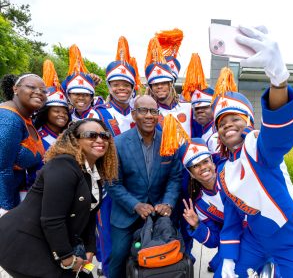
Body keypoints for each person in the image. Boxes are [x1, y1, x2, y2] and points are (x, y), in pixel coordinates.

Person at [211, 26, 293, 277]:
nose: (227, 125)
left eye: (234, 119)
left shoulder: (256, 146)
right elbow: (231, 221)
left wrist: (278, 80)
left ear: (249, 123)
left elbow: (278, 137)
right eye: (221, 123)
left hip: (290, 239)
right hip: (254, 239)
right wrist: (227, 257)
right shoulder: (223, 172)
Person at [0, 118, 118, 277]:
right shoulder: (63, 165)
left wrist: (90, 248)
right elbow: (52, 219)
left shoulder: (93, 171)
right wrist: (66, 258)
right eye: (91, 135)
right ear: (75, 140)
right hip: (24, 243)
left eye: (104, 136)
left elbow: (89, 216)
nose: (99, 140)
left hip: (52, 240)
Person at [107, 95, 182, 278]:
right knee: (118, 257)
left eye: (154, 111)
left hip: (158, 214)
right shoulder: (118, 144)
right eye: (143, 110)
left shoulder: (169, 142)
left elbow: (175, 177)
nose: (149, 115)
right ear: (134, 115)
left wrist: (168, 203)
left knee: (162, 260)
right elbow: (112, 183)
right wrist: (136, 205)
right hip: (127, 214)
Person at [94, 36, 141, 277]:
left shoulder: (139, 112)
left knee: (137, 243)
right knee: (112, 245)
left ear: (133, 87)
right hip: (110, 184)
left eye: (126, 85)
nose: (121, 88)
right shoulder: (98, 113)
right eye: (116, 84)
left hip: (138, 185)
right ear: (109, 85)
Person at [178, 138, 227, 273]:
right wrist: (196, 225)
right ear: (191, 175)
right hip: (234, 240)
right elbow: (213, 241)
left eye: (205, 161)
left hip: (260, 234)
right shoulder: (200, 205)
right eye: (196, 166)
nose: (203, 167)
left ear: (213, 162)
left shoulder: (231, 177)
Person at [0, 73, 47, 215]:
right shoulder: (8, 119)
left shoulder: (24, 118)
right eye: (31, 87)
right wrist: (5, 209)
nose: (39, 92)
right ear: (15, 89)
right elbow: (2, 169)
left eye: (43, 91)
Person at [34, 60, 70, 151]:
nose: (62, 115)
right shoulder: (36, 137)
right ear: (46, 112)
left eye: (65, 112)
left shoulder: (68, 136)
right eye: (56, 111)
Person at [62, 44, 104, 121]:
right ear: (69, 96)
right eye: (76, 94)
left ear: (92, 97)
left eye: (85, 94)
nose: (81, 97)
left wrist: (90, 81)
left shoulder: (101, 112)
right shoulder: (67, 116)